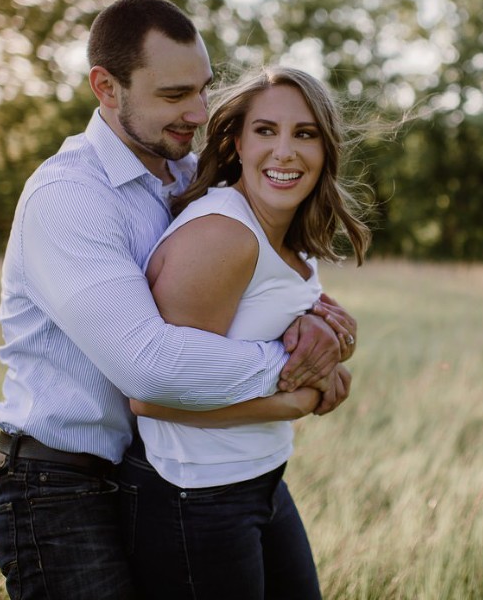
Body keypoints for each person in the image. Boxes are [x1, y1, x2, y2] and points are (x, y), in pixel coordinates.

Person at [0, 0, 357, 599]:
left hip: (150, 471)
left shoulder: (183, 172)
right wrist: (295, 380)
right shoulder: (69, 197)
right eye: (173, 95)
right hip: (57, 483)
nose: (198, 112)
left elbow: (257, 269)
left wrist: (321, 323)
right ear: (106, 88)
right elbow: (150, 368)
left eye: (203, 90)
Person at [121, 66, 370, 599]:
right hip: (196, 496)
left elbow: (271, 324)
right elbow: (149, 397)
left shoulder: (291, 238)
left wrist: (331, 341)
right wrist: (297, 401)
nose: (284, 152)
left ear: (326, 149)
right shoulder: (224, 234)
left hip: (261, 480)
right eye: (266, 131)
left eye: (305, 134)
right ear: (235, 143)